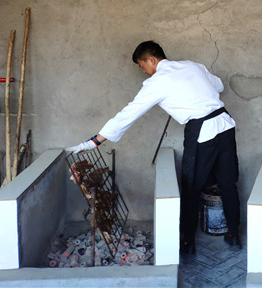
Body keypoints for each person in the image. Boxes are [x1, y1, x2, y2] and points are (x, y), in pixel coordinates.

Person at [66, 40, 241, 253]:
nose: (144, 72)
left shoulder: (157, 82)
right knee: (228, 183)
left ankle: (188, 242)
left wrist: (94, 141)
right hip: (226, 126)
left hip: (202, 132)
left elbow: (129, 113)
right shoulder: (192, 65)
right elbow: (219, 86)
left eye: (142, 66)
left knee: (191, 188)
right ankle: (233, 235)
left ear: (151, 60)